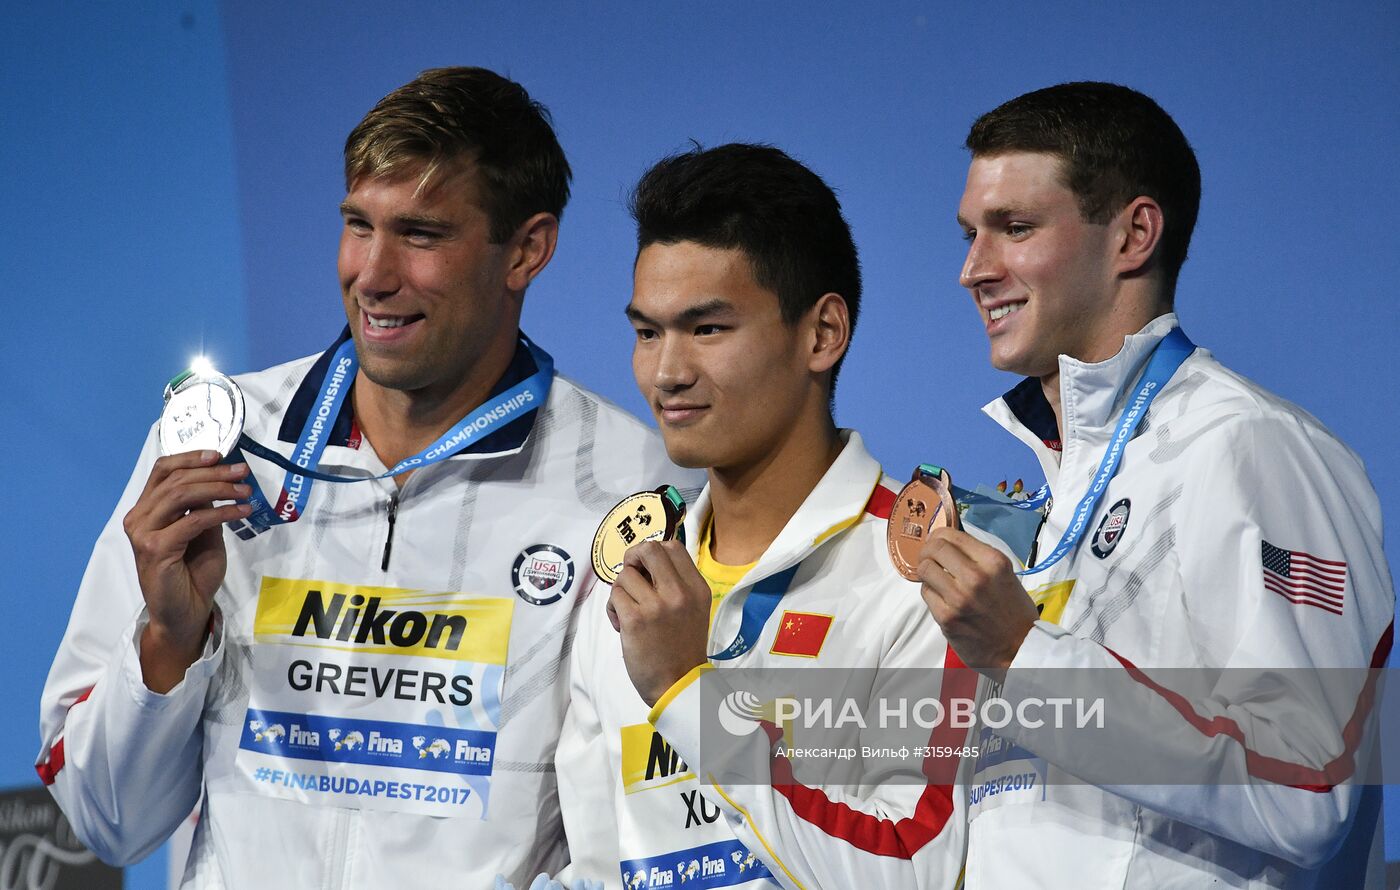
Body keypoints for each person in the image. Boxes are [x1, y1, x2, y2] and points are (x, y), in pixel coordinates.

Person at [36, 67, 690, 888]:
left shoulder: (636, 491)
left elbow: (638, 834)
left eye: (419, 235)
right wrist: (170, 642)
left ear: (527, 249)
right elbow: (107, 822)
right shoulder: (218, 442)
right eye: (357, 225)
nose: (372, 275)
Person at [920, 81, 1394, 888]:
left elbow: (1309, 787)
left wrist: (1023, 654)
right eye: (970, 234)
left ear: (1134, 234)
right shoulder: (1058, 489)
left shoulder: (1250, 447)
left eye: (1015, 228)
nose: (972, 269)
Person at [557, 143, 978, 889]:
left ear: (822, 335)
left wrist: (688, 694)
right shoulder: (630, 583)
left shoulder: (926, 576)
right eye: (647, 332)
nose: (666, 373)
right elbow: (595, 867)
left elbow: (912, 869)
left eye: (707, 329)